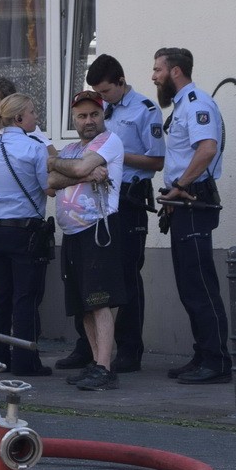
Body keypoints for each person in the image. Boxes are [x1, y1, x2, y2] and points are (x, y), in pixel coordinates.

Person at [57, 54, 166, 373]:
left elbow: (156, 160)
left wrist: (110, 156)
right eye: (95, 95)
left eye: (104, 93)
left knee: (126, 275)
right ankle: (87, 348)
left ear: (121, 83)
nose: (100, 101)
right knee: (87, 278)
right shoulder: (97, 112)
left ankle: (129, 349)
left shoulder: (144, 110)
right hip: (91, 203)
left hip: (127, 199)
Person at [152, 47, 231, 384]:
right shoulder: (184, 103)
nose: (153, 75)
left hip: (193, 199)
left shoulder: (197, 102)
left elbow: (207, 148)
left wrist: (180, 185)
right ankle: (203, 354)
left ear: (176, 72)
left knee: (199, 285)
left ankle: (217, 361)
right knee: (189, 286)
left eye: (158, 69)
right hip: (183, 202)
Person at [47, 90, 125, 391]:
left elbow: (70, 169)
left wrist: (64, 167)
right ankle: (95, 363)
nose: (88, 120)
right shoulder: (69, 150)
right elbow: (50, 182)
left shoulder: (109, 141)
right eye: (82, 116)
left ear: (102, 114)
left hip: (98, 230)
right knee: (84, 305)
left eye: (94, 114)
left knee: (99, 302)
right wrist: (81, 174)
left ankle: (105, 367)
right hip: (73, 234)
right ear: (74, 120)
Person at [0, 93, 53, 377]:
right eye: (32, 112)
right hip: (25, 231)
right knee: (25, 298)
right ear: (19, 118)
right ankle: (25, 361)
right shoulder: (34, 148)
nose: (36, 117)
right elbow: (48, 187)